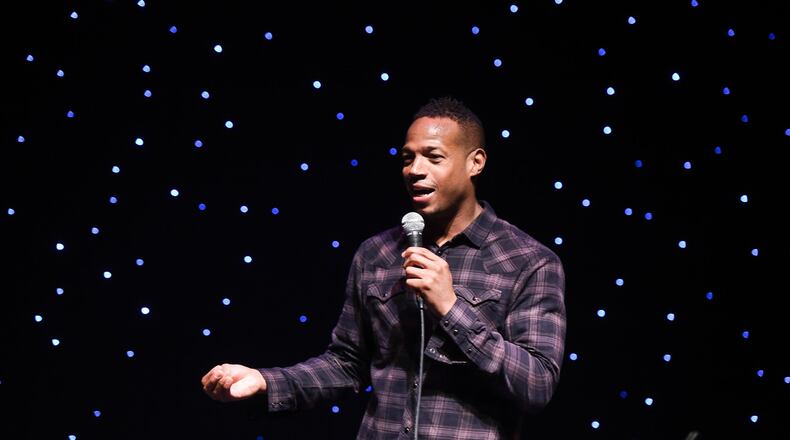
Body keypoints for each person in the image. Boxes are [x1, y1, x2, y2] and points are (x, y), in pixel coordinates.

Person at [202, 97, 567, 439]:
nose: (415, 170)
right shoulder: (376, 254)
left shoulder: (527, 261)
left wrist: (452, 308)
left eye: (433, 157)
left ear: (476, 162)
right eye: (408, 158)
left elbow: (536, 384)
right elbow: (346, 364)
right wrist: (267, 381)